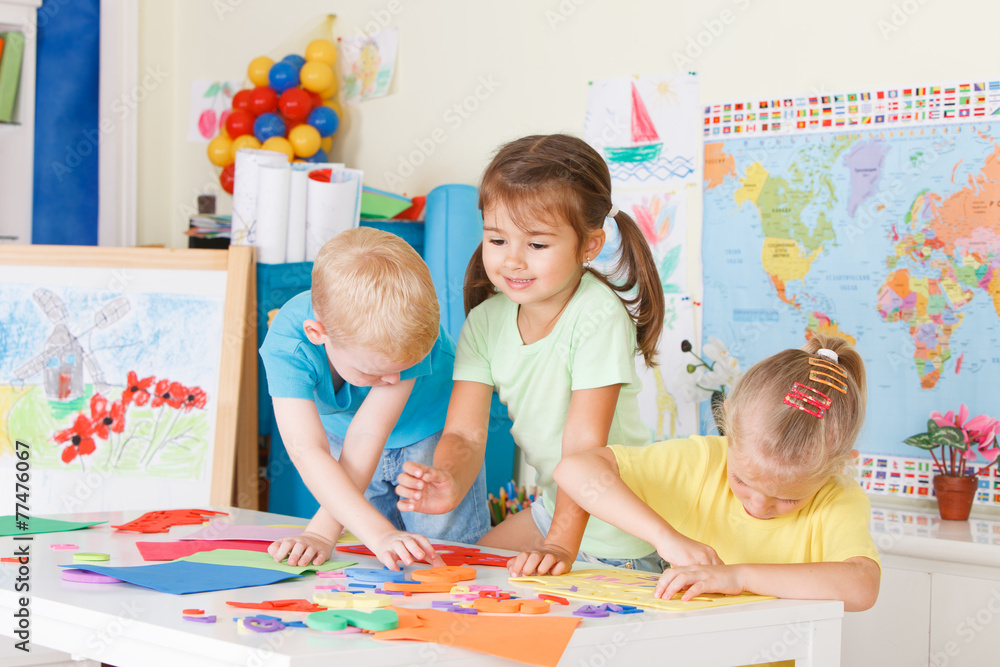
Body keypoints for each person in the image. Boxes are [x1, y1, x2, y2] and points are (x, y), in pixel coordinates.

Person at [395, 133, 665, 576]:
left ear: (590, 246)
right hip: (553, 510)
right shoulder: (484, 322)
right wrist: (446, 480)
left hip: (618, 534)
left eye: (537, 245)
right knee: (457, 575)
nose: (513, 261)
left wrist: (559, 546)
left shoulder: (598, 314)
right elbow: (465, 435)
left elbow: (583, 449)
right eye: (497, 240)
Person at [554, 335, 881, 612]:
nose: (758, 505)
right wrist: (665, 538)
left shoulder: (838, 497)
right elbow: (575, 468)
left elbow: (863, 585)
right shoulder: (703, 461)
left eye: (787, 498)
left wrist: (739, 577)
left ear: (839, 466)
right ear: (727, 426)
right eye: (742, 481)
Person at [259, 227, 489, 569]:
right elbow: (307, 450)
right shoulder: (286, 348)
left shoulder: (406, 326)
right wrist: (325, 534)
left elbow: (370, 433)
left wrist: (339, 532)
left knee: (445, 551)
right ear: (317, 334)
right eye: (374, 372)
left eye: (403, 368)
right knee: (369, 550)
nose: (393, 380)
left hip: (429, 432)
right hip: (345, 437)